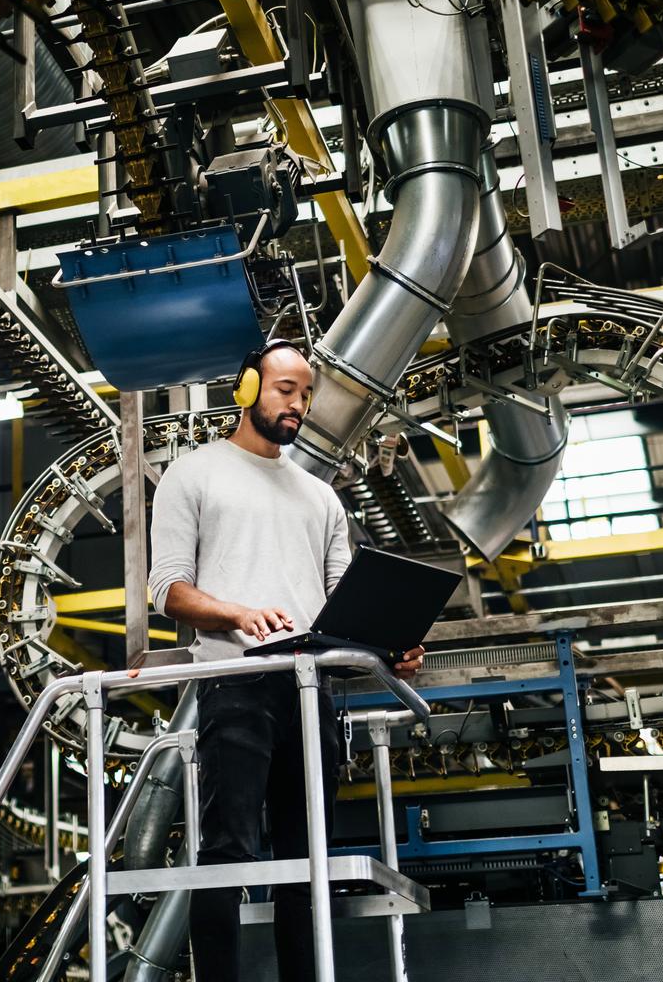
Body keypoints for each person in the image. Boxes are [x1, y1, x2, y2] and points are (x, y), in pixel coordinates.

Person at [147, 338, 425, 982]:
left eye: (305, 393)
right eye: (284, 390)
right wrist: (238, 613)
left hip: (311, 694)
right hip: (236, 684)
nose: (297, 404)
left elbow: (341, 608)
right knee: (226, 853)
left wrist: (388, 648)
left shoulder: (319, 498)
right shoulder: (196, 473)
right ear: (247, 389)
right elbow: (169, 589)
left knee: (308, 864)